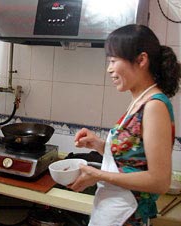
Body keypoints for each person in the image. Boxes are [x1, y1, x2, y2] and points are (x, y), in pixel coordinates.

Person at [69, 24, 181, 226]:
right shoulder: (139, 101)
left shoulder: (154, 106)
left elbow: (160, 181)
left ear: (141, 60)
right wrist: (99, 145)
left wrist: (97, 175)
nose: (109, 69)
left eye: (113, 61)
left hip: (129, 217)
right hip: (113, 213)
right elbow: (134, 161)